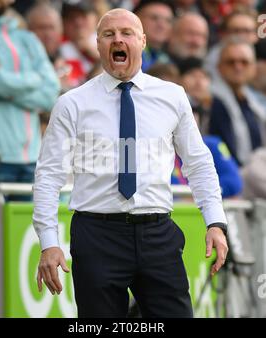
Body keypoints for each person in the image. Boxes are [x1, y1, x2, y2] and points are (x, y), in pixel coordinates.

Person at [33, 8, 228, 318]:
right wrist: (48, 243)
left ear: (143, 41)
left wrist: (215, 222)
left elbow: (198, 163)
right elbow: (48, 176)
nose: (118, 40)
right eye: (108, 35)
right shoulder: (71, 103)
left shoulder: (173, 96)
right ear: (97, 44)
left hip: (158, 233)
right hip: (97, 235)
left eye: (126, 33)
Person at [0, 0, 60, 317]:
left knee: (27, 263)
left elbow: (51, 92)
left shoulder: (26, 38)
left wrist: (3, 82)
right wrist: (27, 83)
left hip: (31, 163)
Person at [209, 38, 266, 166]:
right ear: (219, 67)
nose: (238, 67)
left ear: (254, 68)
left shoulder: (256, 102)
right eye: (231, 62)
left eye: (244, 62)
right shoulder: (211, 100)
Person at [133, 0, 174, 72]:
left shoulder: (168, 61)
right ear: (135, 19)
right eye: (154, 18)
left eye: (168, 21)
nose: (161, 25)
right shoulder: (126, 54)